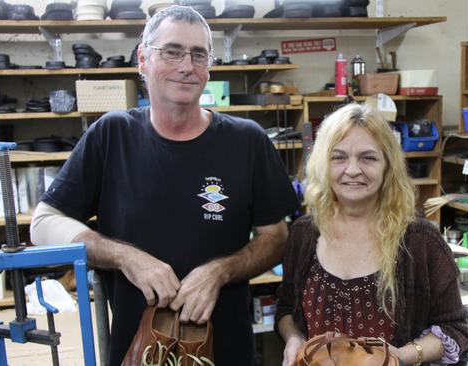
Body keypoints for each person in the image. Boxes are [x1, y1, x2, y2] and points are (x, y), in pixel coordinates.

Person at [30, 5, 300, 365]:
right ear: (143, 59)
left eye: (198, 54)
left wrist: (219, 272)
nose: (186, 66)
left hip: (226, 352)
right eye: (171, 51)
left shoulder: (246, 141)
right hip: (138, 351)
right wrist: (126, 257)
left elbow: (276, 237)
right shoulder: (112, 136)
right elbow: (43, 224)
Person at [275, 103, 468, 366]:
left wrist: (399, 357)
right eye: (339, 157)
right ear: (323, 164)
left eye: (368, 157)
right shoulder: (304, 234)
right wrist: (294, 339)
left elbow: (455, 328)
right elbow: (286, 308)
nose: (353, 170)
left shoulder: (419, 240)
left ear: (387, 165)